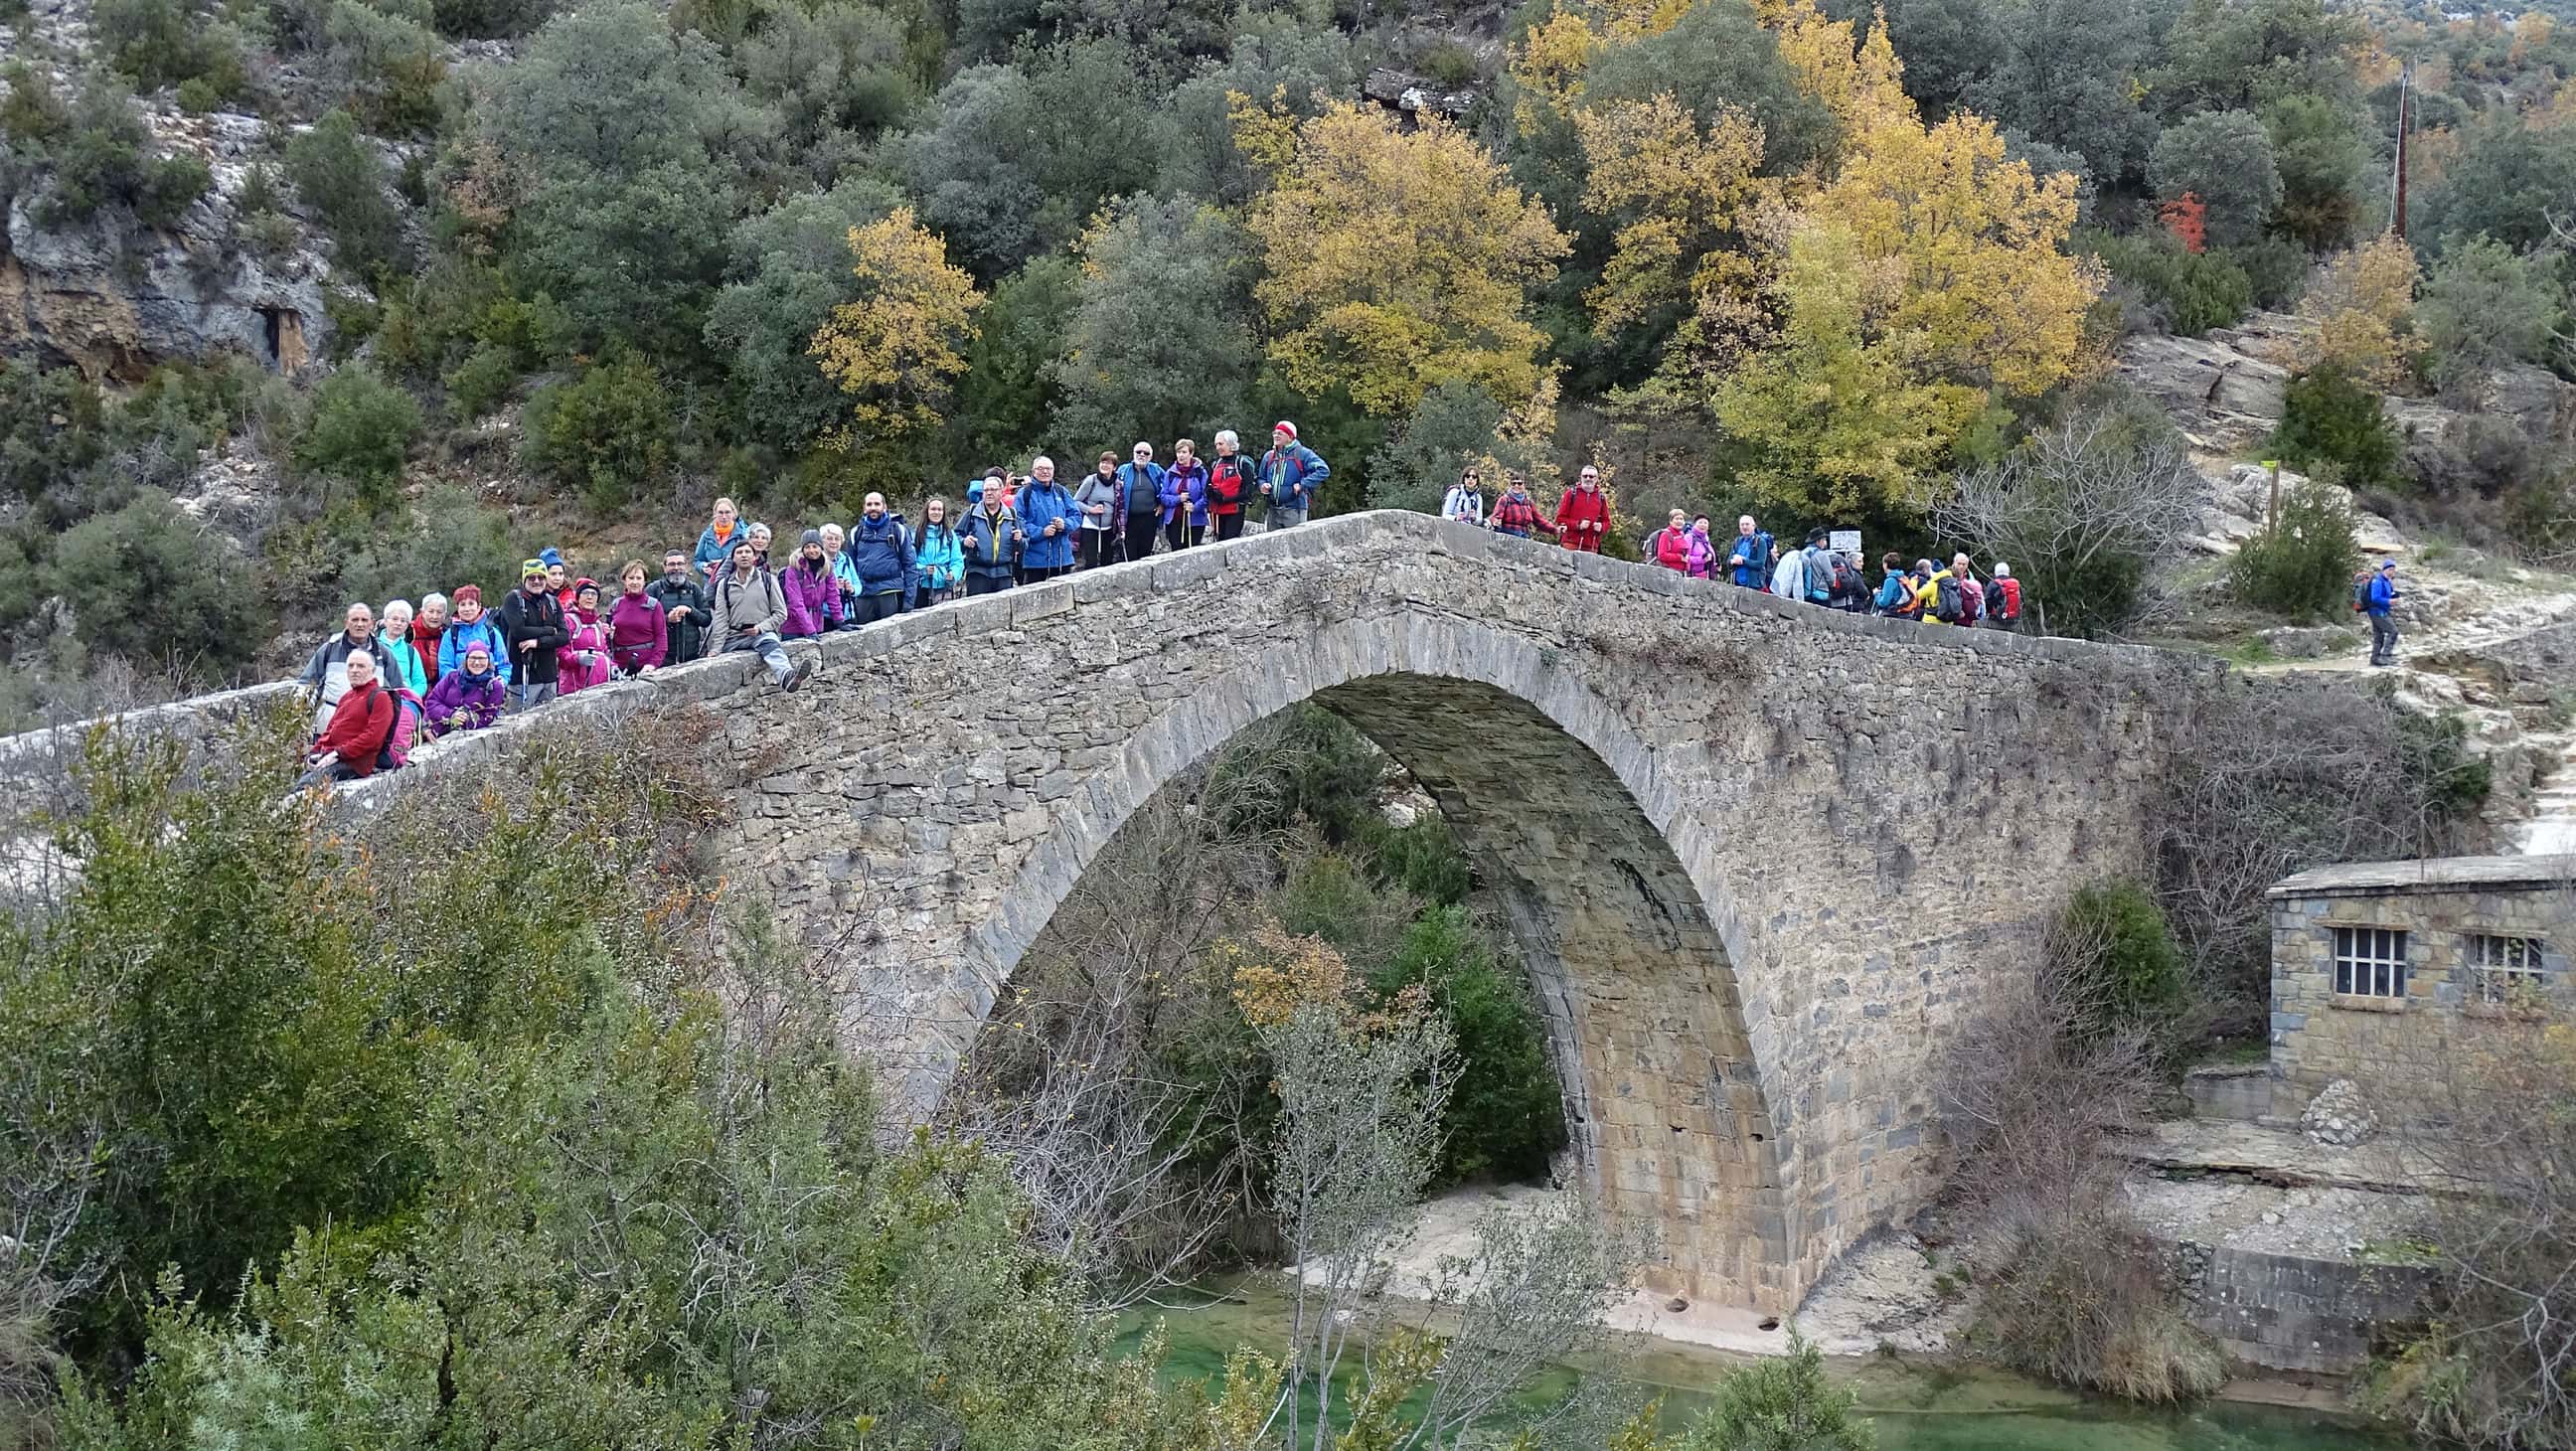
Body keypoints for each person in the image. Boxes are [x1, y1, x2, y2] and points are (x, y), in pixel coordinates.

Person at [709, 539, 809, 691]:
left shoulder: (768, 580)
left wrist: (760, 628)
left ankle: (787, 677)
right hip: (734, 637)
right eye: (739, 552)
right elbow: (721, 618)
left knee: (772, 646)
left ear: (755, 557)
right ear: (733, 558)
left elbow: (781, 613)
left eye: (748, 552)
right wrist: (716, 648)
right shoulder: (724, 585)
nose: (744, 555)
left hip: (761, 634)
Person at [295, 649, 397, 789]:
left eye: (361, 666)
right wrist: (314, 753)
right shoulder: (347, 697)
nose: (354, 670)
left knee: (304, 787)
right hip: (331, 757)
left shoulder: (381, 697)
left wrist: (338, 753)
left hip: (353, 764)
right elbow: (330, 732)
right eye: (351, 666)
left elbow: (373, 738)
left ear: (372, 671)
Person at [497, 560, 568, 709]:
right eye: (531, 578)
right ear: (524, 579)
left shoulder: (553, 602)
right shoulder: (513, 600)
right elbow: (519, 632)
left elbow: (564, 636)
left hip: (549, 676)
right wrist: (550, 631)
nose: (537, 581)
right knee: (518, 724)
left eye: (541, 577)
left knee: (547, 724)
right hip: (521, 676)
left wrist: (537, 642)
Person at [298, 602, 377, 732]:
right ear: (346, 623)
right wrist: (303, 718)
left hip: (368, 728)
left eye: (364, 620)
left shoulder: (383, 654)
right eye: (355, 620)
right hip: (328, 727)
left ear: (372, 624)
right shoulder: (329, 649)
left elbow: (398, 690)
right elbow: (307, 684)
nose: (359, 624)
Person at [845, 494, 916, 624]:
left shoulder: (898, 530)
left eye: (877, 504)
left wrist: (909, 602)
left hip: (890, 592)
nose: (873, 508)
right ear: (864, 508)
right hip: (864, 593)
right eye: (869, 504)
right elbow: (850, 567)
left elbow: (910, 565)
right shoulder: (856, 532)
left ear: (885, 507)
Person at [423, 639, 507, 738]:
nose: (476, 663)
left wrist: (465, 719)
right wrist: (451, 715)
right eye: (473, 658)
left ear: (488, 661)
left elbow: (488, 716)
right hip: (436, 732)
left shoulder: (494, 686)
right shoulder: (452, 677)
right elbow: (432, 701)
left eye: (481, 658)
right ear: (466, 660)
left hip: (468, 735)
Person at [1017, 457, 1078, 582]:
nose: (1045, 472)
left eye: (1048, 469)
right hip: (1035, 561)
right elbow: (1017, 521)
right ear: (1033, 471)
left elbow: (1076, 516)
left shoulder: (1061, 491)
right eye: (1041, 468)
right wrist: (1041, 532)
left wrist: (1064, 524)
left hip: (1063, 558)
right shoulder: (1024, 494)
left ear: (1053, 471)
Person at [439, 585, 512, 688]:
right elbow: (445, 667)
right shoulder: (450, 635)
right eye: (462, 604)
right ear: (458, 608)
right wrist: (458, 683)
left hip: (489, 691)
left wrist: (502, 681)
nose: (467, 609)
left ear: (479, 606)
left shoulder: (492, 633)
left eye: (471, 603)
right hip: (460, 692)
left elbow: (504, 665)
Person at [960, 478, 1023, 596]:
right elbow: (954, 537)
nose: (989, 493)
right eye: (986, 490)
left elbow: (1025, 542)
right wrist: (964, 541)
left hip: (1004, 574)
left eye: (993, 490)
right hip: (977, 574)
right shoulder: (972, 513)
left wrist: (1019, 539)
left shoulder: (1011, 515)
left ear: (1001, 492)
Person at [1260, 420, 1328, 528]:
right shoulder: (1269, 456)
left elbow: (1323, 470)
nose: (1276, 436)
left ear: (1290, 437)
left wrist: (1303, 484)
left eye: (1280, 433)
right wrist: (1262, 485)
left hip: (1295, 508)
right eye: (1275, 433)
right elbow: (1261, 477)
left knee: (1296, 543)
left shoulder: (1303, 454)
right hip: (1272, 509)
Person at [648, 552, 710, 664]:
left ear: (686, 566)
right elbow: (644, 621)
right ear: (664, 567)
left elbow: (706, 620)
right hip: (662, 658)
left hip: (691, 656)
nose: (676, 568)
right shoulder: (654, 589)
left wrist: (690, 610)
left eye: (680, 564)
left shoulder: (694, 589)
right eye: (672, 564)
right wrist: (667, 619)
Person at [608, 561, 668, 676]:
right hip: (619, 668)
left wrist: (653, 664)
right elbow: (608, 640)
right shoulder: (616, 605)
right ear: (624, 581)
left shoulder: (653, 606)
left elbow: (661, 638)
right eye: (631, 578)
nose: (634, 582)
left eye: (638, 578)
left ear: (644, 581)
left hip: (645, 668)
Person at [782, 530, 844, 638]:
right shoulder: (794, 570)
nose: (811, 550)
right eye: (807, 547)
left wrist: (839, 621)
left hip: (817, 624)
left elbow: (833, 595)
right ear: (802, 549)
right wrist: (809, 630)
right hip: (793, 628)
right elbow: (796, 603)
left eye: (815, 546)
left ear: (821, 547)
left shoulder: (826, 568)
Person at [558, 579, 613, 695]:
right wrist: (578, 659)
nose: (589, 597)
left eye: (594, 594)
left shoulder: (598, 624)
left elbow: (604, 652)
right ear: (577, 597)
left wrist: (614, 668)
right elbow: (561, 655)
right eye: (585, 593)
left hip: (600, 684)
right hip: (574, 687)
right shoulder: (568, 621)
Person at [1074, 452, 1123, 570]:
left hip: (1109, 527)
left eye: (1108, 463)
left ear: (1114, 467)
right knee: (1091, 562)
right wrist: (1091, 510)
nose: (1104, 465)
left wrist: (1122, 528)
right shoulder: (1091, 480)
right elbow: (1075, 501)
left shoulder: (1118, 484)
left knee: (1107, 561)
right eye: (1102, 462)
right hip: (1090, 525)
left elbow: (1121, 507)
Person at [1118, 441, 1165, 563]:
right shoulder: (1123, 470)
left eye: (1146, 453)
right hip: (1129, 519)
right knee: (1129, 553)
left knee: (1145, 552)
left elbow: (1167, 488)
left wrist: (1162, 505)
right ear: (1133, 454)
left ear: (1150, 456)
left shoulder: (1156, 470)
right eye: (1138, 452)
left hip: (1149, 518)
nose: (1142, 455)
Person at [1207, 429, 1256, 541]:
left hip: (1234, 512)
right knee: (1217, 543)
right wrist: (1210, 493)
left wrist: (1225, 499)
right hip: (1216, 512)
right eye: (1216, 444)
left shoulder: (1242, 464)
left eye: (1221, 444)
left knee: (1230, 542)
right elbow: (1208, 484)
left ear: (1231, 444)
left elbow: (1247, 492)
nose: (1218, 447)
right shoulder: (1216, 464)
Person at [1161, 438, 1210, 551]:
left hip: (1195, 520)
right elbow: (1163, 496)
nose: (1180, 455)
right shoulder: (1170, 473)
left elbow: (1207, 495)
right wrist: (1179, 498)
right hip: (1174, 520)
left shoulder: (1200, 472)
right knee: (1176, 550)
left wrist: (1195, 507)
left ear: (1191, 453)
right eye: (1178, 452)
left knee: (1192, 550)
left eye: (1184, 452)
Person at [912, 497, 962, 608]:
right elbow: (910, 560)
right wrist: (923, 570)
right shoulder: (916, 534)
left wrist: (953, 574)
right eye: (933, 509)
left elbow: (957, 560)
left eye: (939, 509)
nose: (936, 512)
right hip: (922, 586)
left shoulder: (950, 535)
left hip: (943, 585)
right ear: (927, 512)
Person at [375, 599, 428, 696]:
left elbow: (420, 683)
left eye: (403, 620)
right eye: (394, 619)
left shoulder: (410, 651)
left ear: (407, 625)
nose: (398, 623)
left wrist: (411, 697)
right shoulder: (372, 647)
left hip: (405, 703)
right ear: (386, 621)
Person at [1553, 465, 1610, 553]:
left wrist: (1601, 527)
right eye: (1585, 476)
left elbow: (1607, 522)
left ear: (1596, 479)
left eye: (1591, 476)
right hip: (1570, 544)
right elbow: (1560, 519)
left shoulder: (1601, 498)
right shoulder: (1571, 494)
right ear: (1581, 477)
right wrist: (1578, 525)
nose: (1588, 479)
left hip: (1592, 547)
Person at [694, 497, 744, 582]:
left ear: (733, 514)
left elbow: (750, 561)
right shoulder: (707, 536)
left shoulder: (742, 536)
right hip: (711, 584)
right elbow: (697, 561)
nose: (724, 516)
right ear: (715, 514)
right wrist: (703, 567)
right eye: (720, 513)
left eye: (727, 512)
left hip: (735, 583)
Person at [1489, 474, 1553, 540]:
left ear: (1524, 485)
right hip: (1507, 536)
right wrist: (1495, 521)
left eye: (1519, 483)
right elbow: (1496, 516)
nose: (1516, 486)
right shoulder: (1504, 500)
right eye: (1513, 484)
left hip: (1524, 537)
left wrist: (1554, 529)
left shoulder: (1529, 503)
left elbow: (1539, 521)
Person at [2366, 560, 2401, 666]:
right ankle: (2386, 656)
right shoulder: (2377, 581)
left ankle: (2375, 658)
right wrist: (2389, 601)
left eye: (2393, 570)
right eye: (2390, 569)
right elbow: (2375, 598)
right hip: (2377, 612)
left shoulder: (2387, 581)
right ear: (2385, 570)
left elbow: (2391, 593)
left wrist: (2395, 597)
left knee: (2378, 636)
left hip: (2381, 611)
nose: (2392, 572)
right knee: (2393, 631)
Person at [1725, 515, 1773, 590]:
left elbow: (1760, 564)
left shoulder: (1760, 542)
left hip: (1754, 585)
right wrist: (1732, 561)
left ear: (1753, 526)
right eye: (1742, 524)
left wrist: (1743, 561)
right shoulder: (1737, 541)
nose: (1744, 527)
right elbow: (1728, 561)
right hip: (1737, 584)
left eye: (1747, 524)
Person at [1875, 554, 1917, 618]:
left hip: (1893, 615)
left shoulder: (1890, 580)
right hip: (1905, 614)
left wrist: (1877, 594)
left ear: (1886, 565)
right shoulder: (1903, 577)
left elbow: (1884, 602)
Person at [1950, 552, 1987, 626]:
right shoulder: (1948, 576)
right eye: (1959, 564)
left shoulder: (1971, 578)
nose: (1961, 566)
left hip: (1968, 619)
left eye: (1964, 564)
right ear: (1954, 563)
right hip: (1952, 618)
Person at [1769, 538, 1809, 602]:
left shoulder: (1788, 556)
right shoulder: (1797, 559)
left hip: (1775, 587)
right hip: (1782, 594)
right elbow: (1797, 583)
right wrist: (1799, 601)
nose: (1777, 554)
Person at [1987, 562, 2021, 631]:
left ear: (1996, 572)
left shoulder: (1994, 584)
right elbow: (2022, 602)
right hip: (2013, 622)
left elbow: (1987, 601)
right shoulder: (2016, 584)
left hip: (1995, 621)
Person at [412, 592, 448, 657]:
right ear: (422, 612)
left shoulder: (448, 634)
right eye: (431, 611)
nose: (435, 616)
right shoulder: (409, 631)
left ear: (445, 614)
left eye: (439, 612)